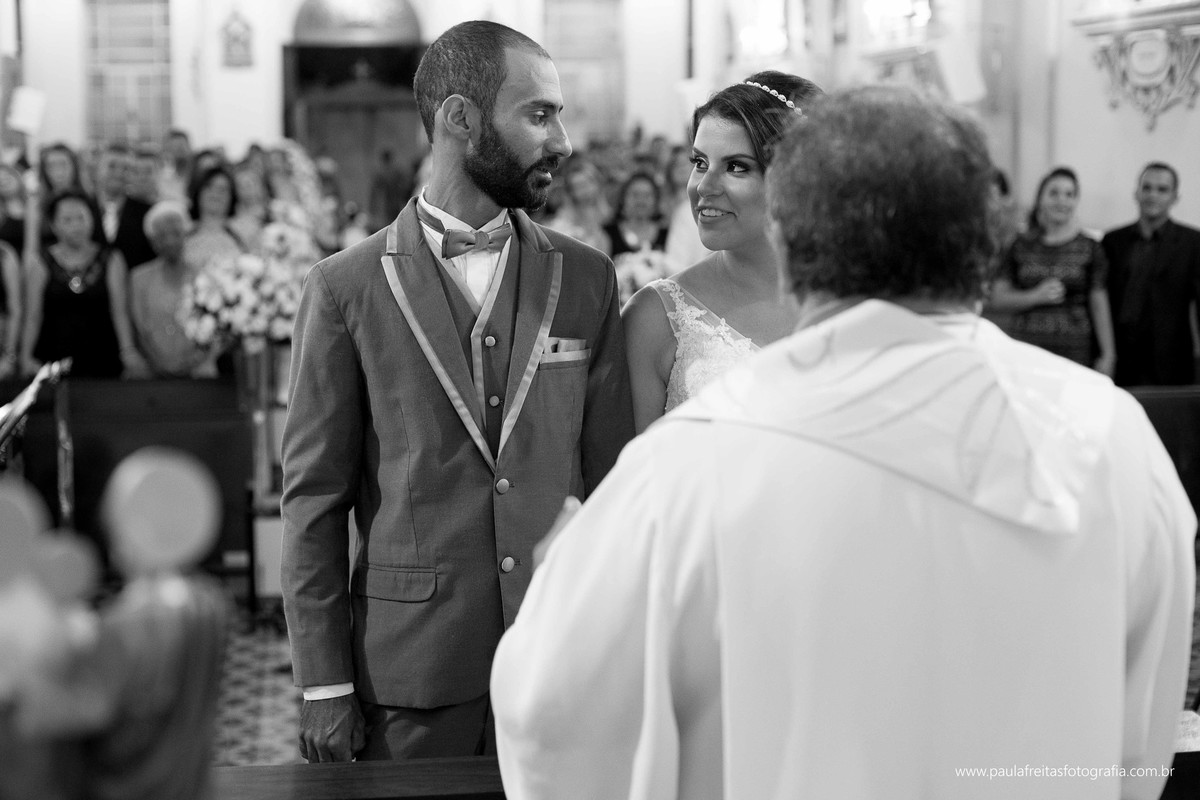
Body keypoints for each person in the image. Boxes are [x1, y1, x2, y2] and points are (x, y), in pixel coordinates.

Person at [490, 86, 1196, 800]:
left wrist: (561, 595)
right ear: (984, 243)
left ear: (795, 241)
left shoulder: (689, 467)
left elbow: (554, 725)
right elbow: (1140, 747)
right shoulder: (1114, 438)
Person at [281, 19, 635, 763]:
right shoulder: (345, 287)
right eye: (539, 114)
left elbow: (612, 486)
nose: (562, 141)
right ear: (461, 119)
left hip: (559, 658)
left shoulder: (586, 277)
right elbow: (314, 500)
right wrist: (322, 684)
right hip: (413, 670)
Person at [622, 71, 823, 432]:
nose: (704, 186)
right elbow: (629, 478)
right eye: (699, 163)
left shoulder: (855, 301)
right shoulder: (656, 318)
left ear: (795, 179)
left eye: (735, 167)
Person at [987, 167, 1116, 375]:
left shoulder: (1090, 247)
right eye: (1054, 193)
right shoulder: (1020, 246)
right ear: (1041, 199)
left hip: (1075, 352)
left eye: (1069, 194)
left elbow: (1099, 304)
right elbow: (998, 298)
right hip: (1028, 351)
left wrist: (1109, 354)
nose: (1061, 201)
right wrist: (1035, 296)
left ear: (1076, 201)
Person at [20, 190, 146, 378]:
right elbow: (33, 315)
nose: (76, 226)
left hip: (103, 355)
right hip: (53, 357)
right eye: (67, 220)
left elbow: (120, 311)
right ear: (54, 225)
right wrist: (25, 356)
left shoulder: (111, 258)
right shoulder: (41, 262)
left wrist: (128, 350)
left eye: (81, 218)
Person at [1102, 162, 1200, 386]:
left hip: (1170, 362)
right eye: (1146, 188)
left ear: (1175, 197)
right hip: (1120, 359)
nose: (1152, 195)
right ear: (1136, 193)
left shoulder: (1193, 243)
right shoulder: (1113, 241)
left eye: (1162, 189)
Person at [129, 201, 218, 378]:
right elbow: (138, 329)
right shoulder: (139, 278)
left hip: (198, 373)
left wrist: (196, 361)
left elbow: (213, 326)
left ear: (186, 235)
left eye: (176, 233)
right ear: (152, 241)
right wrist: (157, 364)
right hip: (151, 373)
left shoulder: (203, 275)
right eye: (162, 236)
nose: (170, 241)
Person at [95, 143, 156, 271]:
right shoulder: (83, 208)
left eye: (126, 168)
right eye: (112, 166)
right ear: (98, 168)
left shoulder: (147, 213)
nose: (118, 173)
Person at [181, 166, 244, 273]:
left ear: (232, 196)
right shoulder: (183, 234)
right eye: (208, 187)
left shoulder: (244, 234)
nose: (215, 194)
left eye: (222, 190)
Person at [603, 171, 669, 258]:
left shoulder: (667, 234)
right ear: (622, 199)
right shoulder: (608, 233)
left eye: (647, 195)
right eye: (635, 195)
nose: (641, 201)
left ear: (656, 200)